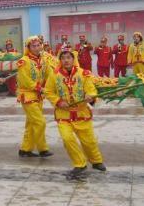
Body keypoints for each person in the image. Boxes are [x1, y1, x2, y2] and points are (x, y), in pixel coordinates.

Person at [44, 48, 105, 179]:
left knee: (89, 141)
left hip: (82, 113)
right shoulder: (54, 75)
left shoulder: (84, 74)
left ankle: (96, 161)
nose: (66, 60)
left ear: (73, 59)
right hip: (63, 114)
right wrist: (59, 101)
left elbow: (92, 90)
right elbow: (48, 92)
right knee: (67, 139)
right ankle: (79, 163)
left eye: (68, 57)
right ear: (60, 60)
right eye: (63, 58)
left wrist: (90, 96)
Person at [16, 36, 53, 158]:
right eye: (34, 46)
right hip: (28, 95)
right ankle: (43, 149)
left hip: (39, 95)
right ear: (28, 48)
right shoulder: (23, 61)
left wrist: (56, 83)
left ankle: (25, 150)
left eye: (38, 45)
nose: (37, 48)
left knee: (32, 124)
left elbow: (49, 75)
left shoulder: (43, 60)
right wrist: (39, 88)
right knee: (40, 122)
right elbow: (24, 80)